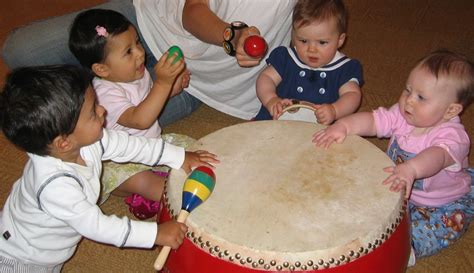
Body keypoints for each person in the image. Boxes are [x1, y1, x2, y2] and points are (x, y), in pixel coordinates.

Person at [0, 65, 218, 272]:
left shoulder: (85, 140)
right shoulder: (55, 187)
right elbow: (98, 226)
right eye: (93, 112)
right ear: (64, 143)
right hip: (23, 257)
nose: (102, 110)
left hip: (41, 245)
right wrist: (155, 234)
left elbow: (128, 145)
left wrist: (178, 156)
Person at [2, 0, 296, 122]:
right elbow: (193, 11)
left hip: (190, 80)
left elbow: (322, 28)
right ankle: (94, 79)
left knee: (89, 127)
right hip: (141, 25)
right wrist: (232, 36)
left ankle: (91, 83)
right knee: (19, 52)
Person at [313, 50, 474, 264]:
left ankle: (406, 252)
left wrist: (412, 169)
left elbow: (437, 156)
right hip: (398, 186)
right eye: (408, 90)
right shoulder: (403, 114)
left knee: (423, 233)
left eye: (421, 97)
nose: (408, 101)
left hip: (442, 204)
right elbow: (373, 120)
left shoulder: (453, 137)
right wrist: (344, 126)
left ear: (450, 111)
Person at [69, 9, 192, 219]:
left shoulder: (138, 72)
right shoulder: (103, 93)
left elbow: (148, 100)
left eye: (137, 42)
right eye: (128, 51)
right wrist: (163, 83)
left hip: (151, 144)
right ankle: (175, 200)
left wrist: (171, 88)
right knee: (149, 183)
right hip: (119, 160)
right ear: (102, 69)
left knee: (194, 149)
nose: (140, 52)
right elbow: (140, 119)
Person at [254, 0, 363, 124]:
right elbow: (266, 78)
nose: (311, 50)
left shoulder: (344, 68)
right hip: (277, 120)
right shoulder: (286, 58)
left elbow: (352, 94)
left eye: (322, 42)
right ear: (293, 35)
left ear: (340, 40)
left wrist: (335, 110)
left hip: (319, 129)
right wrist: (271, 99)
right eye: (303, 41)